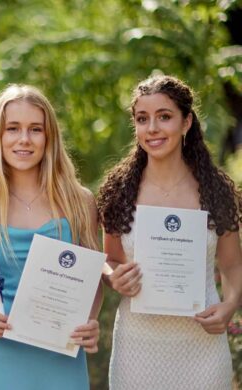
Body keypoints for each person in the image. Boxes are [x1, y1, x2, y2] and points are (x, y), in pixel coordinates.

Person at [0, 84, 102, 389]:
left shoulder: (79, 201)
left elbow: (93, 279)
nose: (24, 139)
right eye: (13, 129)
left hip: (61, 357)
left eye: (35, 129)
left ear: (49, 138)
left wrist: (89, 320)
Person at [97, 75, 242, 389]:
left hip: (201, 342)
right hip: (138, 344)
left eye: (164, 117)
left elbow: (232, 264)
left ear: (186, 122)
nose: (152, 129)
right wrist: (114, 277)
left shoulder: (215, 190)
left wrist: (229, 306)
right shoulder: (119, 190)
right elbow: (109, 260)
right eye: (142, 119)